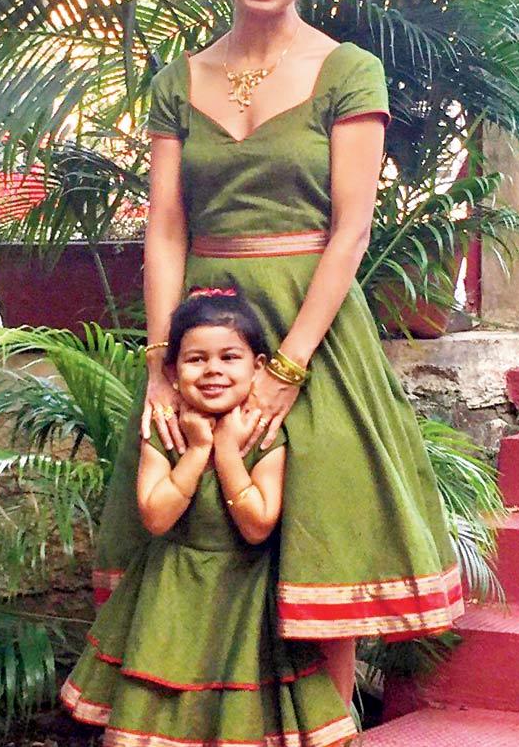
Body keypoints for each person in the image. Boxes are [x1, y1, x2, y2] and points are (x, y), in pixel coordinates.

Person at [94, 0, 464, 712]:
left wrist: (290, 367)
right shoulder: (178, 78)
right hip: (205, 333)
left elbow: (352, 230)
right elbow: (167, 225)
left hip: (313, 325)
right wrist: (159, 361)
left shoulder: (348, 70)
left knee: (314, 538)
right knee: (203, 530)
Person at [61, 287, 359, 745]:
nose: (213, 370)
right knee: (167, 705)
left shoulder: (264, 437)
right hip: (171, 594)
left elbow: (258, 525)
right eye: (195, 359)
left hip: (246, 600)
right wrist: (196, 449)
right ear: (172, 372)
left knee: (242, 708)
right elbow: (157, 518)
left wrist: (225, 449)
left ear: (258, 368)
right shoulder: (164, 434)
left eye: (229, 357)